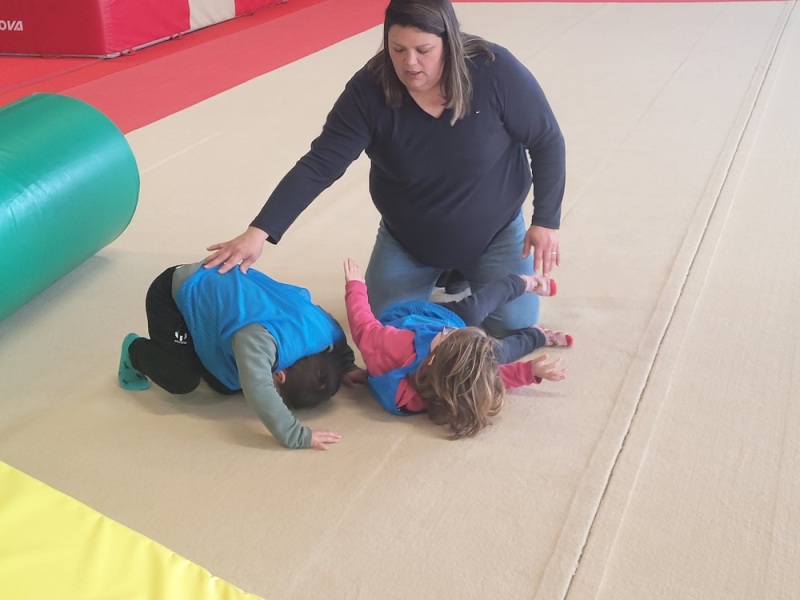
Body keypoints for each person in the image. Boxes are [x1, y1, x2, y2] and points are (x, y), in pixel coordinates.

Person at [204, 0, 566, 337]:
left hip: (494, 232)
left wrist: (546, 220)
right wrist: (260, 231)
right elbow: (320, 163)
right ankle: (446, 271)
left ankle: (461, 272)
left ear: (450, 42)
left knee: (515, 325)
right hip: (410, 238)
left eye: (423, 50)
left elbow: (547, 139)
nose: (410, 63)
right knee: (387, 326)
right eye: (398, 49)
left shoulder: (494, 70)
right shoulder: (368, 89)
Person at [117, 261, 362, 450]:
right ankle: (133, 351)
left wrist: (347, 366)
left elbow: (339, 340)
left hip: (224, 286)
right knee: (181, 379)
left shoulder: (323, 332)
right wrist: (297, 435)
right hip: (176, 293)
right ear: (280, 375)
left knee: (227, 384)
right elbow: (259, 388)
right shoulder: (258, 340)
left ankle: (203, 334)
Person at [343, 258, 569, 438]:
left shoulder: (395, 346)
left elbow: (363, 326)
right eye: (449, 332)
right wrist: (529, 372)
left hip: (415, 320)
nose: (449, 330)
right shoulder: (444, 387)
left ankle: (525, 298)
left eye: (449, 333)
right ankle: (533, 323)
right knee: (495, 346)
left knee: (479, 323)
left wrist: (355, 287)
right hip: (431, 320)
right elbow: (484, 380)